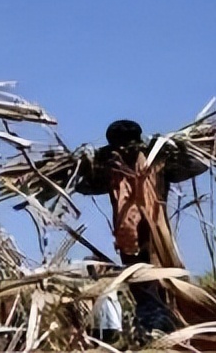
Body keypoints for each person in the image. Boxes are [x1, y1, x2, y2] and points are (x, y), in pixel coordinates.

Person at [73, 119, 208, 338]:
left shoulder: (157, 162)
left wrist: (175, 148)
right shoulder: (110, 171)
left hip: (156, 237)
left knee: (161, 282)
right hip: (129, 239)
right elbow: (82, 185)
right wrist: (85, 162)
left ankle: (163, 328)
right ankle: (153, 329)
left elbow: (197, 165)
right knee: (142, 286)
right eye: (119, 149)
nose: (124, 152)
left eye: (127, 147)